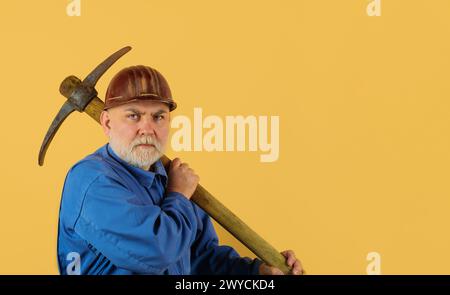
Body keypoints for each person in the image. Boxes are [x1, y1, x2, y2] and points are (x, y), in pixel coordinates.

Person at [57, 65, 303, 275]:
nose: (147, 128)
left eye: (159, 117)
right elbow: (155, 252)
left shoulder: (172, 179)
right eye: (133, 116)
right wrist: (178, 195)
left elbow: (200, 261)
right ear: (107, 122)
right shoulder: (91, 181)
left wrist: (257, 272)